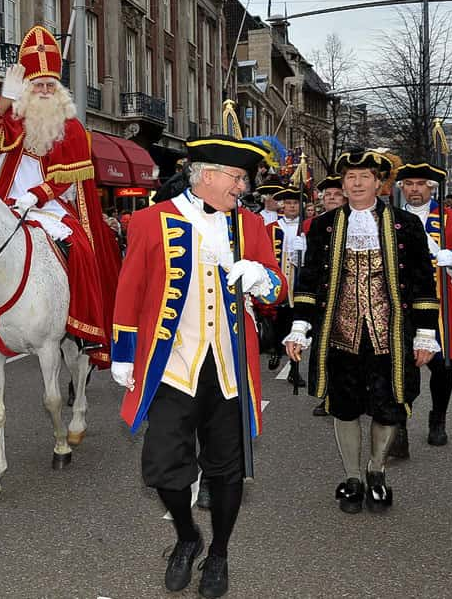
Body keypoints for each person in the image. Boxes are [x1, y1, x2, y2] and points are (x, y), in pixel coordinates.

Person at [111, 136, 286, 599]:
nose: (243, 188)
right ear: (206, 174)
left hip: (229, 368)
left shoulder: (250, 226)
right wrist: (124, 353)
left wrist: (263, 279)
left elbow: (276, 290)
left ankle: (221, 554)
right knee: (162, 467)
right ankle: (188, 538)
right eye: (237, 178)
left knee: (227, 470)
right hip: (173, 366)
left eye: (245, 180)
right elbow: (130, 288)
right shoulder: (151, 221)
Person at [284, 149, 439, 516]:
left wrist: (425, 334)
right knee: (345, 406)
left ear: (379, 182)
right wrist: (299, 327)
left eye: (364, 177)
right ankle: (352, 477)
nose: (355, 183)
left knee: (387, 408)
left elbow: (421, 282)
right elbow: (310, 281)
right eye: (350, 177)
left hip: (390, 334)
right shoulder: (324, 225)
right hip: (340, 334)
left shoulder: (404, 225)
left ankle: (376, 470)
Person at [0, 25, 121, 367]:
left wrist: (36, 196)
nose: (42, 90)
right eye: (36, 85)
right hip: (7, 202)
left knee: (81, 247)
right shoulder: (13, 117)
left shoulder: (72, 129)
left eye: (48, 86)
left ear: (58, 90)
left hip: (51, 205)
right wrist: (5, 100)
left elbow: (66, 178)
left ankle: (81, 324)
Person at [395, 162, 452, 450]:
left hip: (441, 305)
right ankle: (399, 426)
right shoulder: (389, 219)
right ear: (402, 189)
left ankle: (438, 419)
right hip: (402, 305)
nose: (414, 189)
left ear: (431, 188)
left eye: (420, 184)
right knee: (400, 367)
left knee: (443, 368)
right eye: (409, 184)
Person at [308, 175, 345, 416]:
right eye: (328, 194)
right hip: (325, 294)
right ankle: (330, 396)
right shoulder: (317, 224)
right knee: (327, 350)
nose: (331, 198)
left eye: (336, 194)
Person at [264, 187, 306, 383]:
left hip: (298, 283)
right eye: (288, 203)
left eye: (295, 203)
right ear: (283, 205)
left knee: (296, 326)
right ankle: (274, 349)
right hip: (279, 281)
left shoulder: (306, 227)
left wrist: (304, 251)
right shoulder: (272, 227)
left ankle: (294, 370)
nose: (291, 206)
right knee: (276, 321)